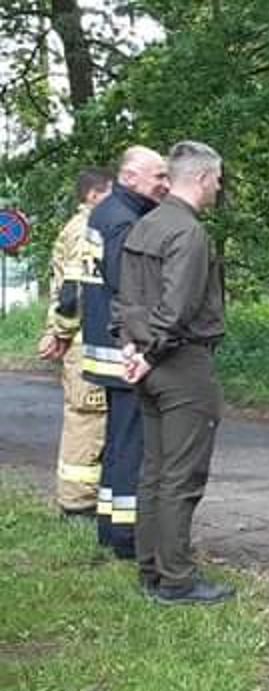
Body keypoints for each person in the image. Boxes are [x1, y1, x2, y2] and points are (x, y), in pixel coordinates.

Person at [114, 141, 229, 604]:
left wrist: (129, 346)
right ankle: (177, 579)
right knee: (182, 476)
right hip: (180, 363)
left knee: (154, 472)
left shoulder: (144, 225)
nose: (219, 188)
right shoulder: (188, 232)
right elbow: (177, 306)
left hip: (145, 359)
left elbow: (125, 297)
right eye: (217, 179)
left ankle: (151, 570)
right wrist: (153, 351)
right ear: (202, 178)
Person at [80, 146, 168, 559]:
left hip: (105, 346)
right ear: (130, 177)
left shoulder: (108, 212)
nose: (165, 185)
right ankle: (127, 537)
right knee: (132, 444)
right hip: (121, 351)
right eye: (158, 177)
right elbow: (127, 283)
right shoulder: (123, 220)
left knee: (119, 442)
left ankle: (110, 526)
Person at [39, 167, 112, 517]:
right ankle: (77, 504)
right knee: (87, 420)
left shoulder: (76, 226)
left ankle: (83, 500)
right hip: (84, 344)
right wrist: (62, 333)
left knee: (88, 419)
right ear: (94, 195)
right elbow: (73, 291)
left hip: (79, 341)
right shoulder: (87, 229)